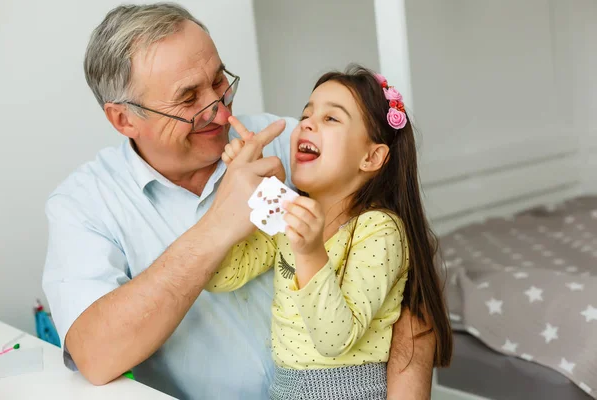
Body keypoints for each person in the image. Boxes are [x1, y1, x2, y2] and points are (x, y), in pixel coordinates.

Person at [42, 3, 439, 399]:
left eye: (219, 81)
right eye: (188, 98)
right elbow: (94, 357)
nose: (218, 109)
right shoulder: (84, 206)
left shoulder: (296, 147)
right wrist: (220, 223)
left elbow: (408, 283)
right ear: (124, 120)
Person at [207, 66, 452, 399]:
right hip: (285, 390)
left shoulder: (380, 230)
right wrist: (243, 185)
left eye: (331, 119)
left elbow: (335, 340)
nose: (306, 123)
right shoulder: (288, 212)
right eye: (306, 114)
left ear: (372, 156)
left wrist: (309, 253)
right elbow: (220, 275)